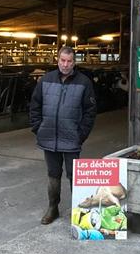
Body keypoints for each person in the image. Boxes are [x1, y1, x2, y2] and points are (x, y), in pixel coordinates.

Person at [29, 46, 97, 225]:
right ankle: (53, 208)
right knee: (53, 174)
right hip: (49, 137)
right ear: (57, 60)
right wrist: (38, 127)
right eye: (62, 60)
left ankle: (79, 211)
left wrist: (81, 134)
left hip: (71, 138)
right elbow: (34, 105)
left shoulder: (84, 82)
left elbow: (90, 111)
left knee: (74, 175)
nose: (65, 65)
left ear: (74, 62)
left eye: (69, 61)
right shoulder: (45, 80)